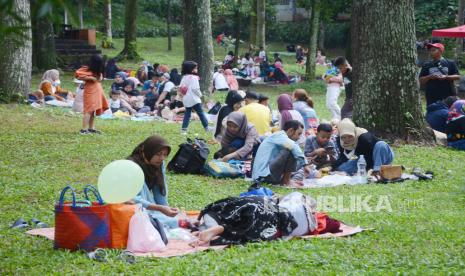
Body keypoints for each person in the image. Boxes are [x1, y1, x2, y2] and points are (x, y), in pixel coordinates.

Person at [193, 192, 319, 245]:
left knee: (230, 210)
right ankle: (218, 229)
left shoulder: (295, 199)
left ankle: (211, 226)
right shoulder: (307, 220)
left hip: (260, 202)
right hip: (268, 214)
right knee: (250, 233)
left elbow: (277, 199)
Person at [128, 135, 181, 228]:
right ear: (148, 152)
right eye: (158, 154)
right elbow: (130, 198)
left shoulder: (160, 164)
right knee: (151, 223)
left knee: (172, 221)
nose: (162, 158)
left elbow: (160, 190)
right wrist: (159, 208)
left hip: (146, 207)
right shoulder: (131, 167)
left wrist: (166, 209)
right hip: (130, 207)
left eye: (165, 155)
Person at [252, 120, 314, 186]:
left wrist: (304, 161)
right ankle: (286, 181)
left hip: (265, 174)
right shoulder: (279, 136)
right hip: (263, 176)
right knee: (290, 150)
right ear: (291, 131)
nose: (299, 138)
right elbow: (293, 147)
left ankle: (286, 180)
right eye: (298, 134)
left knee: (297, 160)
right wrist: (305, 165)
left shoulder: (281, 139)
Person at [75, 54, 109, 135]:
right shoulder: (86, 69)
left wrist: (99, 77)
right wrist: (90, 78)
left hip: (97, 90)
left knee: (93, 110)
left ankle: (91, 128)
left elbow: (99, 79)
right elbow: (78, 76)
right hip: (90, 91)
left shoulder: (98, 70)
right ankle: (83, 130)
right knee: (89, 110)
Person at [180, 61, 211, 134]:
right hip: (194, 99)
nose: (197, 69)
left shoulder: (184, 77)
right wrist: (200, 95)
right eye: (196, 68)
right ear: (192, 70)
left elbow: (181, 87)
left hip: (187, 99)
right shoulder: (194, 78)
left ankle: (184, 129)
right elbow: (195, 89)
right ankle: (207, 127)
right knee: (201, 113)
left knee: (187, 114)